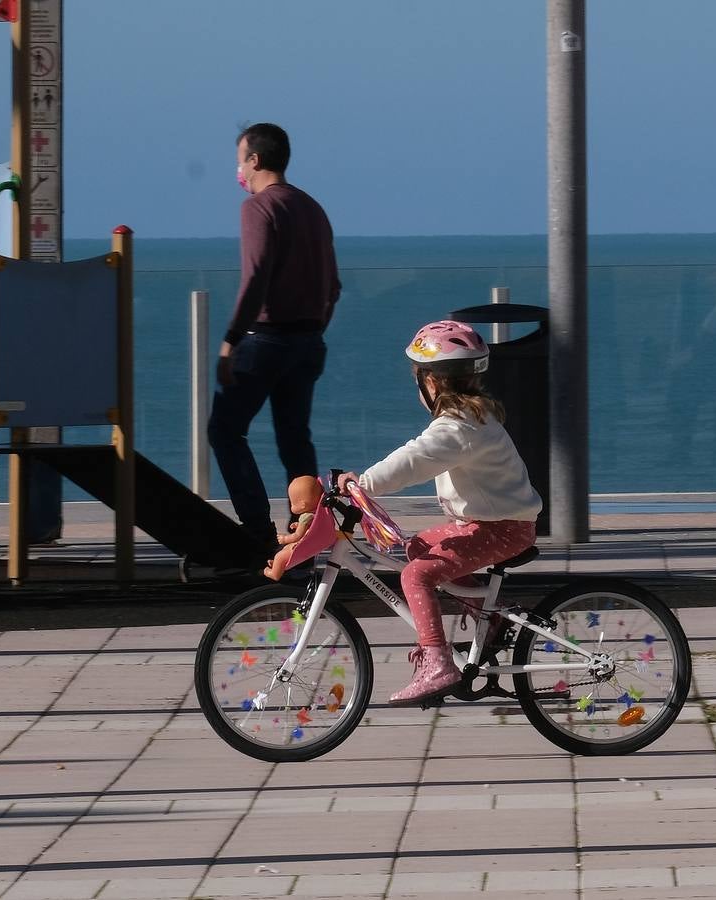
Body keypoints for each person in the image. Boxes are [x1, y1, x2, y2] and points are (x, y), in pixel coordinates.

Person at [338, 321, 542, 706]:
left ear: (431, 382)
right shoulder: (471, 419)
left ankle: (437, 663)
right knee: (419, 548)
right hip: (495, 525)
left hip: (501, 530)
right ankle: (490, 617)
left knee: (416, 575)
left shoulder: (459, 428)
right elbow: (421, 452)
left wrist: (361, 484)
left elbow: (415, 458)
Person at [208, 123, 341, 557]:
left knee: (225, 431)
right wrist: (315, 330)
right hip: (308, 341)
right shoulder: (313, 208)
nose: (238, 170)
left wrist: (230, 342)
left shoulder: (259, 208)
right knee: (293, 437)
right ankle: (306, 528)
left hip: (266, 341)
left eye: (239, 160)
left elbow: (256, 278)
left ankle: (257, 531)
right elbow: (333, 286)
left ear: (255, 161)